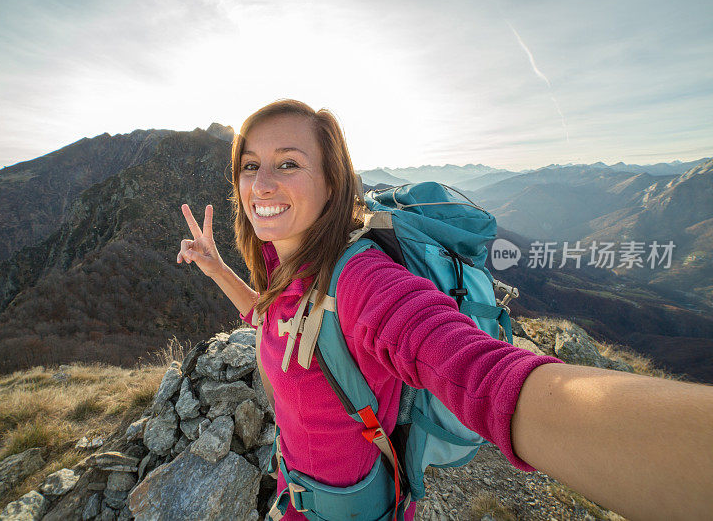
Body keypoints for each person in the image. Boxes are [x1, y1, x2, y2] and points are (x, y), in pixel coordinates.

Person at [178, 99, 713, 520]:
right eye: (250, 166)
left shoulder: (362, 282)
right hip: (299, 492)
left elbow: (479, 374)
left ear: (333, 182)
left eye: (288, 163)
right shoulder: (289, 260)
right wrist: (218, 270)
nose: (262, 184)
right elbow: (273, 320)